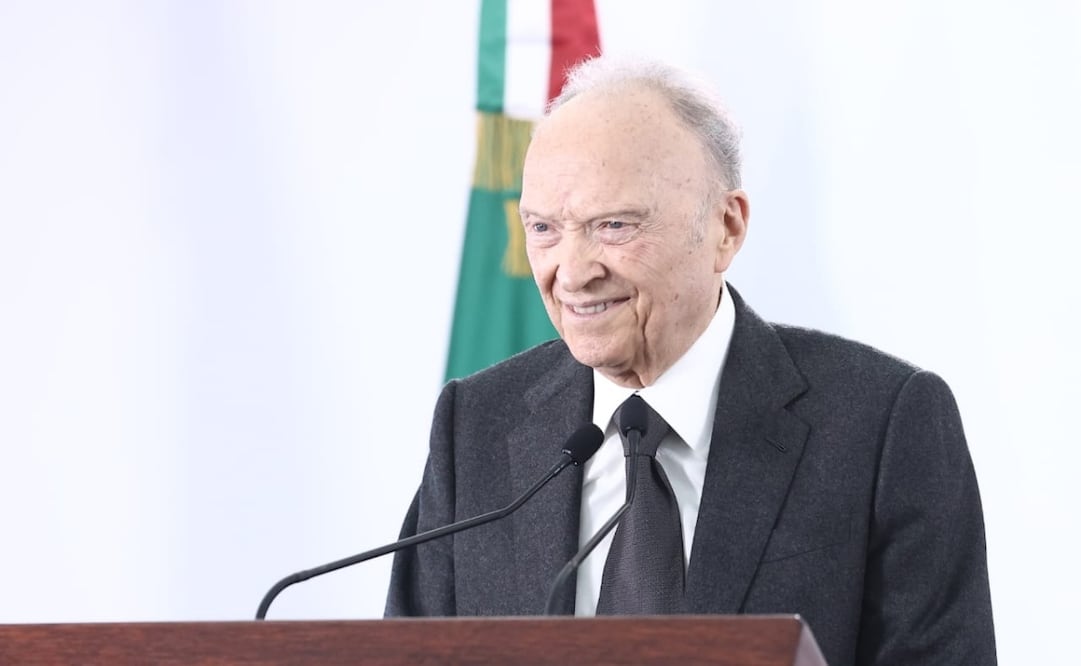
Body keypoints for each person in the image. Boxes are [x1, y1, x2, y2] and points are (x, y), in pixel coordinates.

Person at [386, 56, 996, 666]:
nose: (571, 272)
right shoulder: (477, 426)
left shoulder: (883, 426)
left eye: (614, 225)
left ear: (726, 228)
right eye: (543, 228)